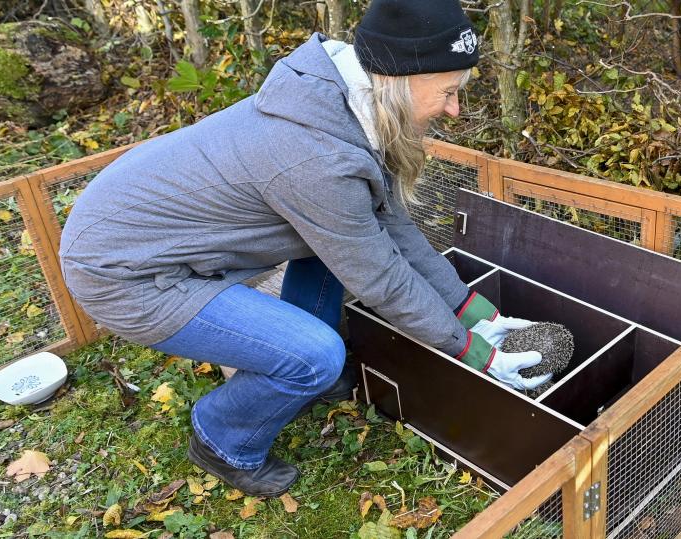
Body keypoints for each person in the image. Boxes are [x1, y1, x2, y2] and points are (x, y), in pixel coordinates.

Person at [58, 0, 551, 497]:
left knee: (338, 262)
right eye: (447, 92)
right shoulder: (316, 157)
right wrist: (476, 355)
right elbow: (379, 276)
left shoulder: (347, 104)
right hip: (127, 275)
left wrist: (476, 314)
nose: (454, 109)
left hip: (159, 242)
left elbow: (392, 229)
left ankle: (298, 368)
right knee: (316, 355)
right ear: (400, 80)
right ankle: (222, 438)